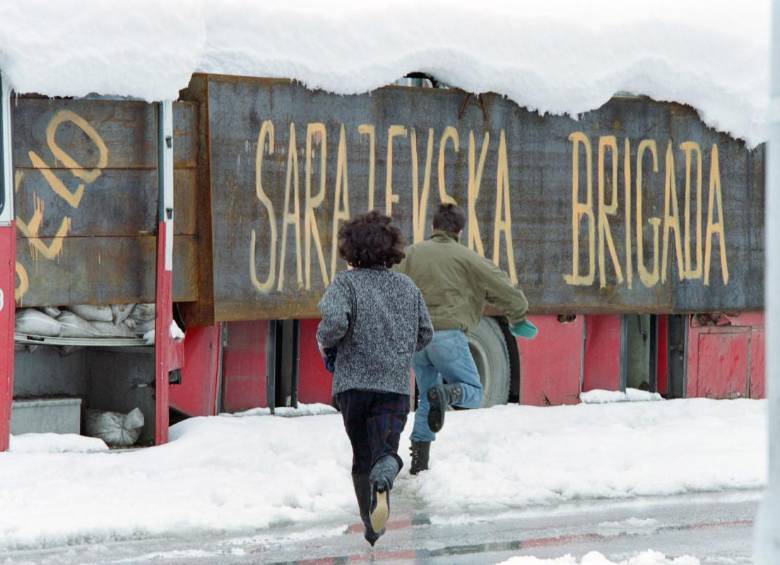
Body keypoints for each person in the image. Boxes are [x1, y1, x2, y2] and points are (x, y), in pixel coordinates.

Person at [317, 211, 433, 546]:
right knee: (385, 450)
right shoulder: (407, 287)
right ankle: (387, 469)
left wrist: (328, 340)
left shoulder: (345, 283)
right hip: (394, 386)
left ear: (350, 249)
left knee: (361, 456)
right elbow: (425, 333)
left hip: (353, 386)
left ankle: (371, 525)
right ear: (391, 248)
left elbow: (333, 326)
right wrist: (396, 349)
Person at [395, 203, 536, 475]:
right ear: (459, 230)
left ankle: (419, 464)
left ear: (433, 227)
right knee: (473, 392)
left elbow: (390, 284)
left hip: (416, 339)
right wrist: (518, 315)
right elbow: (503, 287)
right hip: (448, 336)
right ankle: (448, 393)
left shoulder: (410, 255)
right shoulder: (468, 258)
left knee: (426, 398)